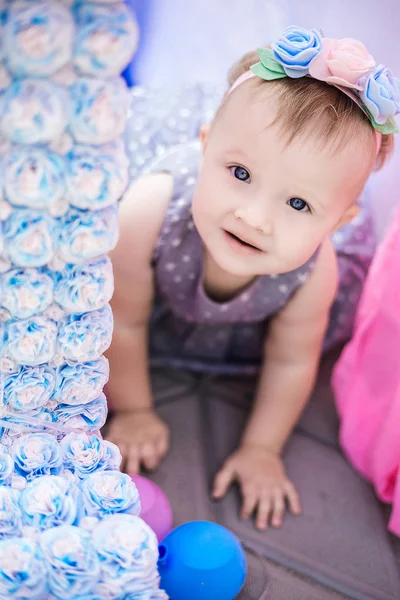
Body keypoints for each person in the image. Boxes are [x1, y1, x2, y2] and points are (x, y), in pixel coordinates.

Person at [105, 26, 399, 531]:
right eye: (239, 173)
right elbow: (124, 319)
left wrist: (262, 449)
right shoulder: (148, 209)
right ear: (204, 148)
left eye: (299, 203)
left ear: (337, 223)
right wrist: (133, 411)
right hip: (145, 295)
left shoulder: (316, 268)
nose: (255, 217)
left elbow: (291, 360)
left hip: (249, 321)